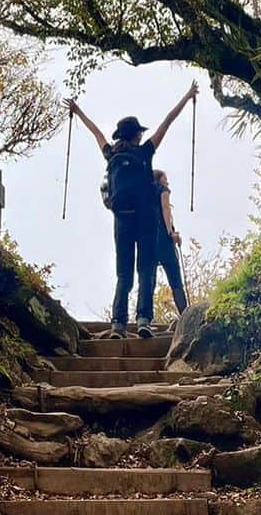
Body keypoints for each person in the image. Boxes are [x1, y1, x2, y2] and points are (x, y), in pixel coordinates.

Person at [67, 83, 197, 339]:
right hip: (146, 221)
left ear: (120, 136)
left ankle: (118, 324)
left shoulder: (111, 154)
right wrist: (188, 96)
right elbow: (168, 122)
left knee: (123, 272)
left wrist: (77, 110)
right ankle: (144, 320)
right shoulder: (145, 151)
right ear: (137, 135)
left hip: (122, 220)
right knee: (145, 270)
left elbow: (95, 132)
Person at [153, 169, 188, 316]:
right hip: (164, 239)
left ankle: (145, 318)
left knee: (149, 280)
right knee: (175, 279)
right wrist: (171, 233)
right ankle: (185, 315)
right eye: (165, 179)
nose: (167, 182)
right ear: (159, 180)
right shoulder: (163, 190)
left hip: (149, 240)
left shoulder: (145, 195)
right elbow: (166, 209)